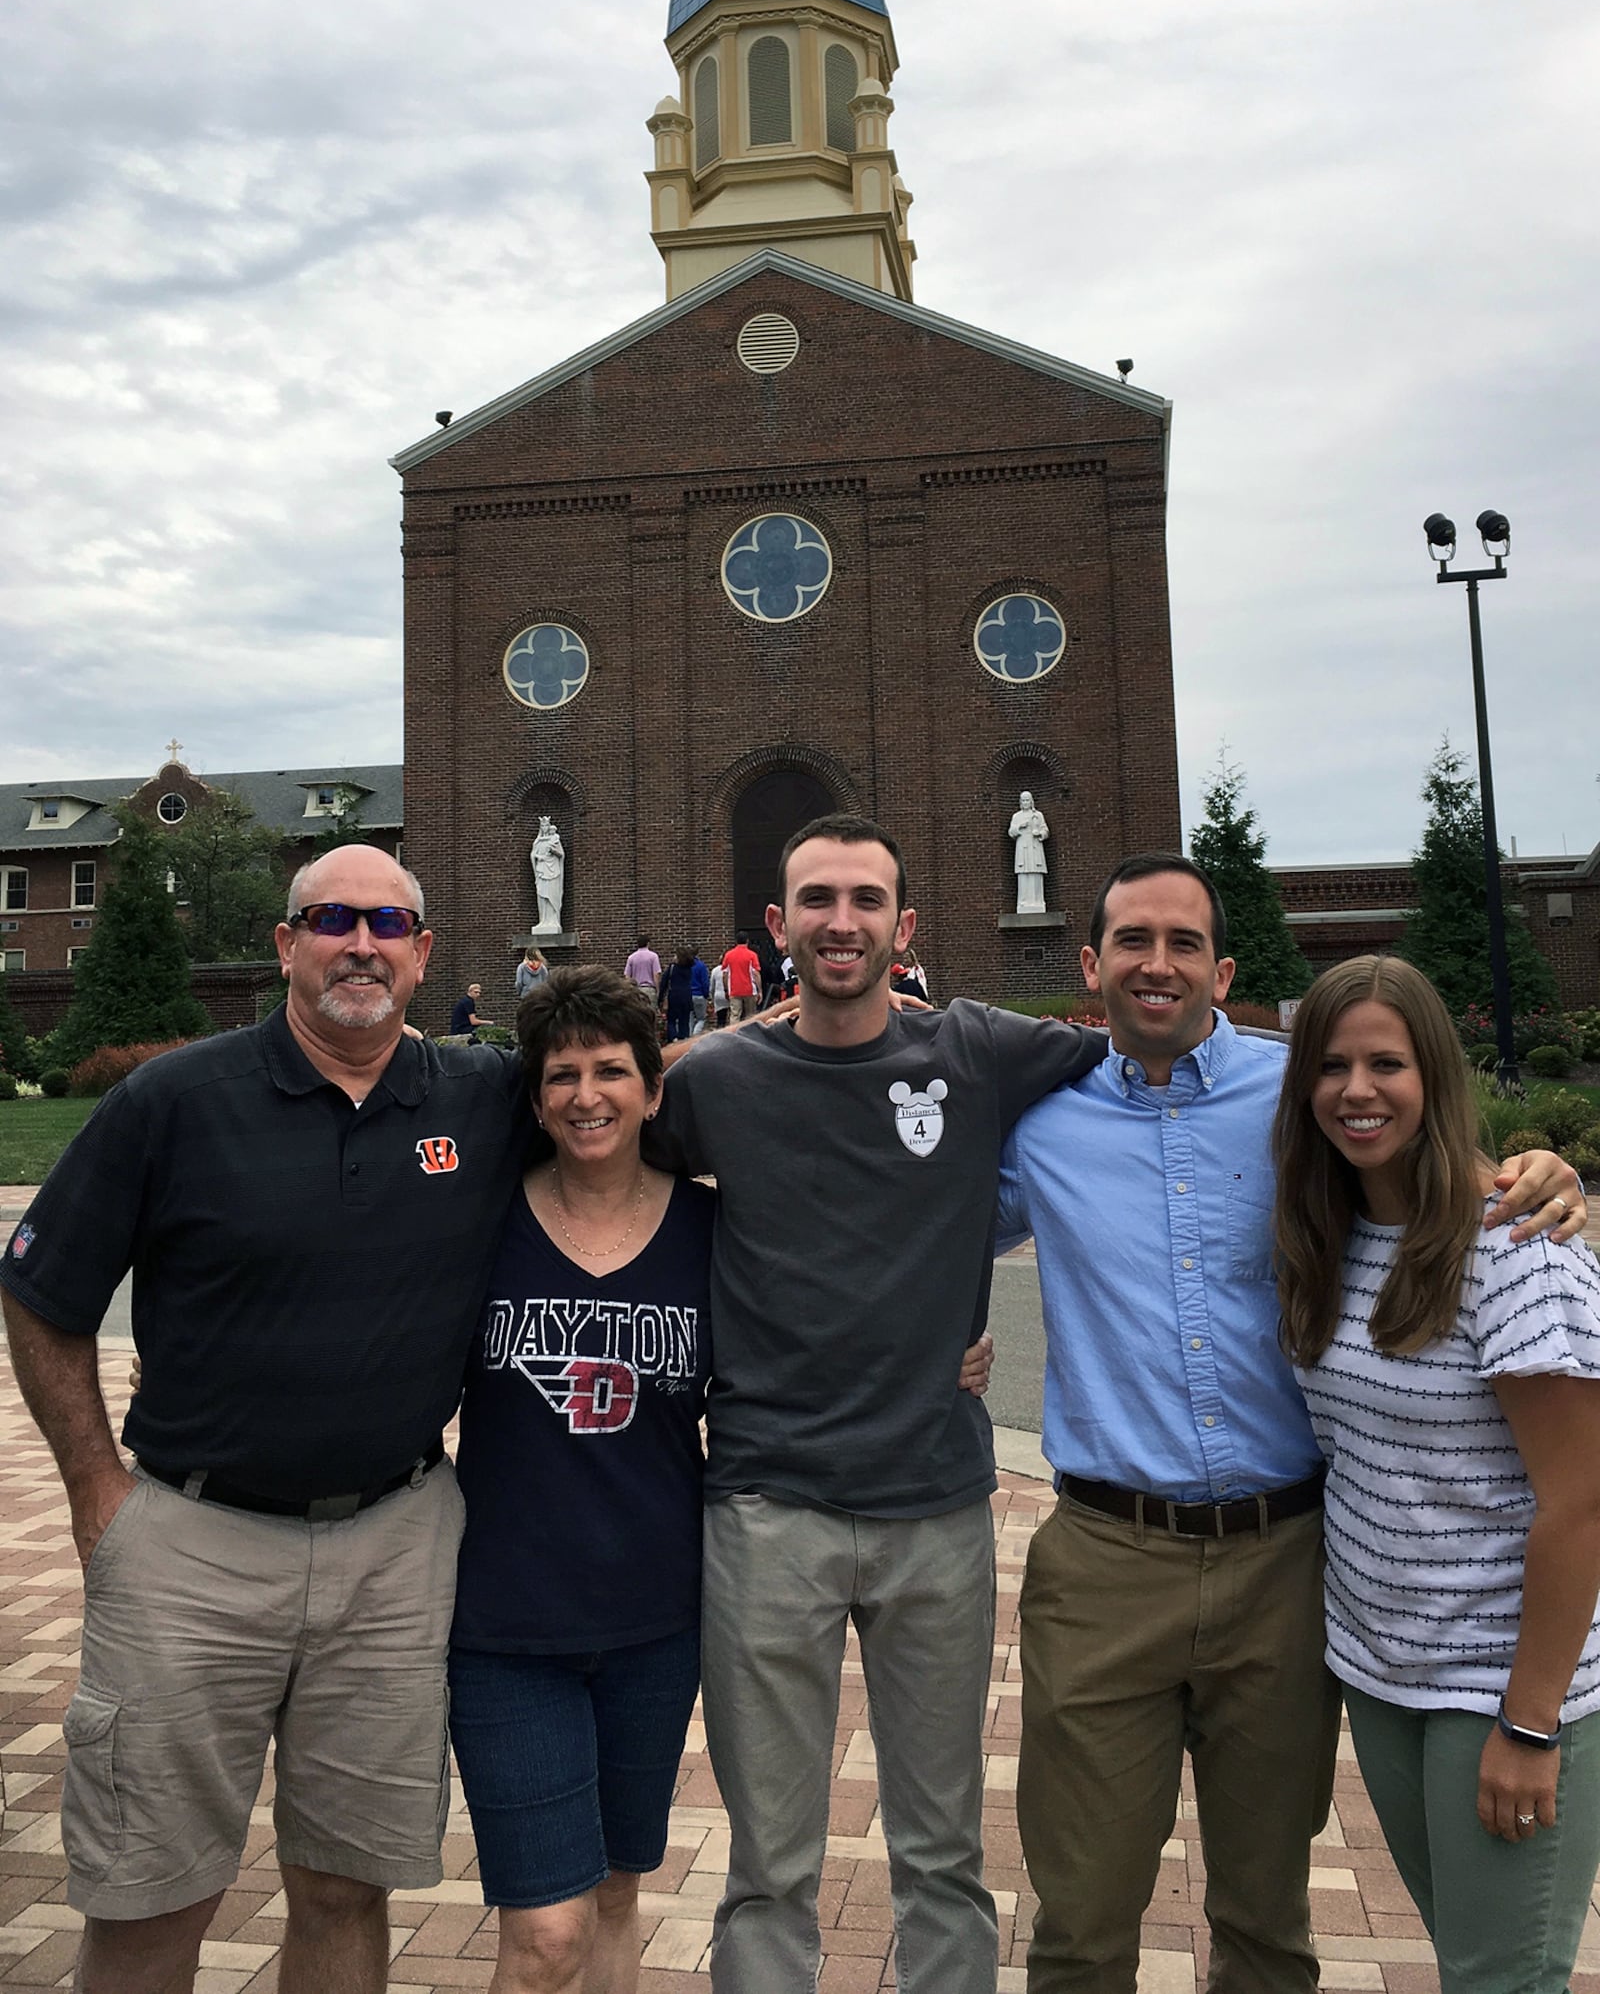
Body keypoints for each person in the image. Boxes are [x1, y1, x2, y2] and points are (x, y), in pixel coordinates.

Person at [994, 853, 1585, 1994]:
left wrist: (1536, 1172)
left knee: (1267, 1925)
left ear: (1221, 969)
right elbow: (907, 1248)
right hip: (1105, 1562)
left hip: (1287, 1563)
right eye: (1131, 941)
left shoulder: (1304, 1097)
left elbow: (1438, 1174)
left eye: (1181, 944)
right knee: (1077, 1922)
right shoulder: (1040, 1129)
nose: (1155, 964)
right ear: (1091, 963)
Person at [0, 846, 531, 1994]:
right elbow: (39, 1294)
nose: (361, 942)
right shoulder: (174, 1101)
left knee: (345, 1886)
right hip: (194, 1545)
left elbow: (645, 1085)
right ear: (287, 945)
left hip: (394, 1547)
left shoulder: (478, 1094)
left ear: (424, 952)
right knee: (155, 1893)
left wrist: (841, 1006)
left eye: (388, 921)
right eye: (329, 918)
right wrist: (96, 1491)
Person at [647, 813, 1110, 1994]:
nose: (838, 921)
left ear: (903, 926)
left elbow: (1169, 1057)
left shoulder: (977, 1050)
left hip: (935, 1509)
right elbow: (578, 1140)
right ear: (777, 924)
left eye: (864, 901)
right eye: (816, 899)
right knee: (768, 1862)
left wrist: (1470, 1162)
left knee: (944, 1852)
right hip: (767, 1509)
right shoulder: (715, 1083)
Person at [1274, 956, 1600, 1994]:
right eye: (1330, 1064)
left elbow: (1583, 1500)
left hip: (1500, 1688)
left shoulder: (1511, 1243)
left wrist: (1528, 1722)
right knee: (1474, 1964)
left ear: (1436, 1076)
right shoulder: (1337, 1235)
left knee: (1504, 1982)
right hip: (1384, 1676)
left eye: (1386, 1062)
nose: (1355, 1089)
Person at [448, 966, 714, 1994]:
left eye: (612, 1069)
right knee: (545, 1930)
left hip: (656, 1615)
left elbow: (810, 1343)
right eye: (562, 1074)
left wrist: (951, 1347)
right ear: (534, 1097)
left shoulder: (707, 1231)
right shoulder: (481, 1225)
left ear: (653, 1087)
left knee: (612, 1891)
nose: (587, 1093)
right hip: (508, 1626)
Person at [658, 946, 699, 1044]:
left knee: (671, 1020)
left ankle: (674, 1038)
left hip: (674, 996)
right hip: (686, 996)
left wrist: (660, 999)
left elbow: (664, 983)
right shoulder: (689, 968)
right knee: (684, 1020)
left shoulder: (673, 968)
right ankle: (684, 1039)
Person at [720, 934, 760, 1022]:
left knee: (735, 1014)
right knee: (751, 1015)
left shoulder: (728, 955)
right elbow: (756, 973)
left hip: (734, 989)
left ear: (736, 941)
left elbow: (725, 974)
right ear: (747, 941)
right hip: (749, 989)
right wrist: (760, 990)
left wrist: (726, 989)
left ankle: (733, 1033)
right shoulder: (752, 955)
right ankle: (750, 1033)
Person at [689, 947, 711, 1033]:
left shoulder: (685, 966)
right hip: (699, 995)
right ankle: (696, 1035)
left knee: (689, 1019)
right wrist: (706, 995)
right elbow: (705, 982)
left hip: (687, 995)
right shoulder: (701, 966)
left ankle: (689, 1037)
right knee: (701, 1019)